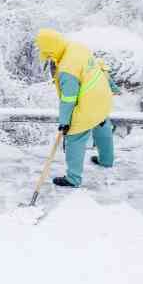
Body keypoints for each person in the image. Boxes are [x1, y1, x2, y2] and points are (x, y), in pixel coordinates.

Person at [34, 28, 121, 188]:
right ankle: (106, 160)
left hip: (88, 104)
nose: (50, 59)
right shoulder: (77, 47)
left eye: (49, 54)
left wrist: (64, 123)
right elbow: (99, 68)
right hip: (102, 96)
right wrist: (112, 87)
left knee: (74, 136)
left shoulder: (67, 69)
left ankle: (73, 179)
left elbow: (68, 98)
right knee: (101, 123)